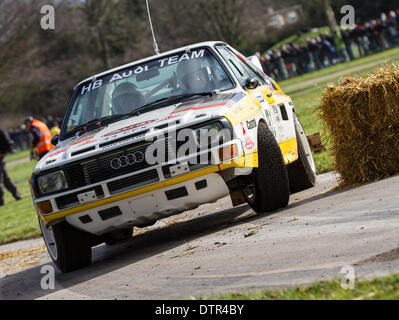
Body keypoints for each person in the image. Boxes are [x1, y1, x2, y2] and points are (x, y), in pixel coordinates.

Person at [0, 128, 22, 206]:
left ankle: (1, 201)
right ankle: (17, 195)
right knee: (5, 179)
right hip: (1, 157)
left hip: (0, 157)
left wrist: (2, 152)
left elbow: (8, 143)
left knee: (2, 179)